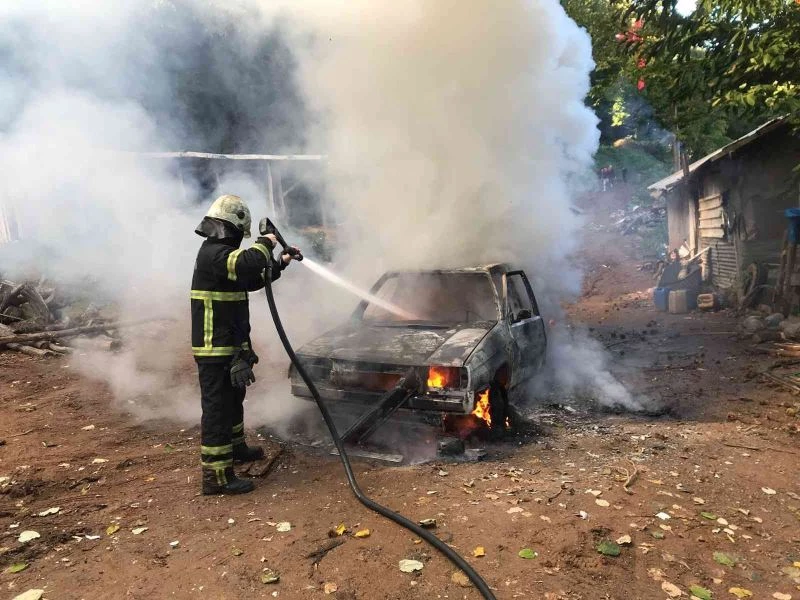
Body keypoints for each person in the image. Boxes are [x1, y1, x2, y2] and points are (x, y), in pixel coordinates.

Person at [191, 194, 299, 495]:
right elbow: (247, 262)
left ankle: (236, 448)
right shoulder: (213, 253)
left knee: (234, 400)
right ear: (232, 227)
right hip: (215, 350)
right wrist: (268, 241)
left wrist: (281, 263)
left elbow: (250, 279)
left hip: (231, 347)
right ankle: (216, 477)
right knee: (217, 409)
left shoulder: (224, 259)